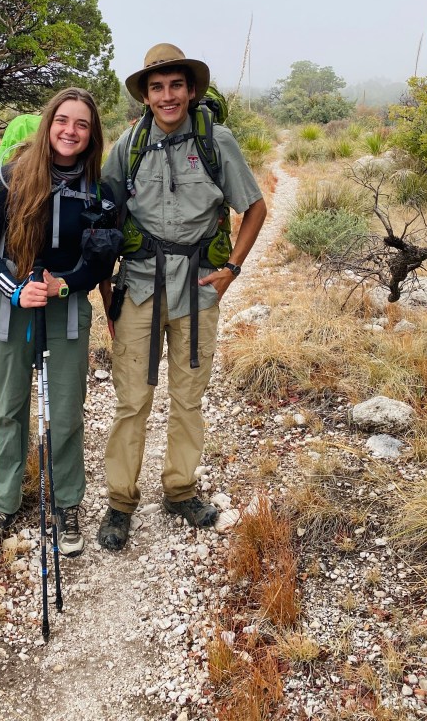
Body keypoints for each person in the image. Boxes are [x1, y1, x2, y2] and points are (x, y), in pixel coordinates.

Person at [97, 44, 267, 551]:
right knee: (132, 400)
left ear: (191, 91)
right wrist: (108, 298)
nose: (167, 96)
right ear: (146, 96)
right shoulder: (128, 146)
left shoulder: (218, 142)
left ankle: (180, 489)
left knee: (188, 398)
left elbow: (254, 207)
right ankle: (120, 502)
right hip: (140, 285)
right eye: (157, 87)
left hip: (199, 287)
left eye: (176, 85)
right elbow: (104, 227)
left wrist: (232, 269)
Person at [0, 88, 116, 557]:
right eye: (63, 120)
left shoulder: (99, 190)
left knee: (68, 411)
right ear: (48, 123)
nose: (70, 131)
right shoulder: (10, 177)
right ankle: (4, 500)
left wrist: (65, 285)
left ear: (91, 134)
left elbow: (98, 264)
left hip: (67, 308)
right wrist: (15, 290)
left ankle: (67, 503)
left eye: (82, 124)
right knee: (8, 408)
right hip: (10, 304)